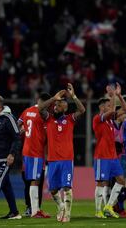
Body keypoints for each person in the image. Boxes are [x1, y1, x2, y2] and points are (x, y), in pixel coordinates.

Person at [41, 83, 85, 223]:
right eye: (55, 105)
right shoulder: (49, 118)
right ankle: (61, 207)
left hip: (67, 159)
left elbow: (82, 110)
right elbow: (40, 108)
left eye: (59, 105)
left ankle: (67, 214)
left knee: (67, 187)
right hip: (53, 160)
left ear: (65, 108)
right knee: (53, 190)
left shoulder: (70, 119)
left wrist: (74, 96)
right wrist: (53, 98)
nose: (55, 107)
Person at [92, 83, 126, 219]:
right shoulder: (98, 119)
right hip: (102, 156)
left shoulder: (110, 121)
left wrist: (118, 95)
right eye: (107, 105)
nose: (111, 107)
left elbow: (125, 109)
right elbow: (113, 110)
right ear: (102, 108)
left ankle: (108, 207)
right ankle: (97, 210)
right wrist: (112, 95)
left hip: (113, 156)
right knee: (101, 182)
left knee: (121, 180)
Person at [18, 92, 52, 218]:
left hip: (26, 150)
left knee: (31, 180)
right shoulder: (42, 114)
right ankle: (34, 211)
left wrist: (24, 129)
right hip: (36, 151)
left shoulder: (27, 111)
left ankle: (33, 209)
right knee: (35, 180)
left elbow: (18, 124)